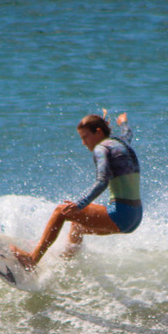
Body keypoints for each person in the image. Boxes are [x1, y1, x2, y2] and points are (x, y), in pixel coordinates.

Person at [12, 112, 141, 269]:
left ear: (99, 132)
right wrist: (123, 123)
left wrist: (79, 204)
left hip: (120, 214)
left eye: (85, 137)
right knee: (77, 226)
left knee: (61, 211)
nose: (83, 143)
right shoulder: (120, 142)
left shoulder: (101, 149)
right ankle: (66, 263)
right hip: (135, 216)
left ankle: (32, 259)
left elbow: (102, 182)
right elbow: (128, 134)